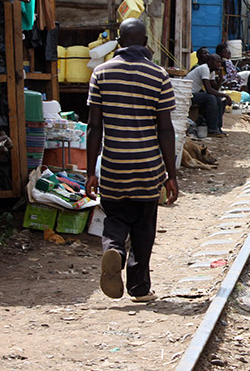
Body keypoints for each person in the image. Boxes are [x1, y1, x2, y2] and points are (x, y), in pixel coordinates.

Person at [86, 18, 178, 303]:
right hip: (148, 167)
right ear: (147, 42)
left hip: (114, 163)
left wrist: (91, 171)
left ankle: (114, 248)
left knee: (115, 217)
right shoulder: (158, 75)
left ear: (119, 41)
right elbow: (165, 128)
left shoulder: (101, 73)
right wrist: (171, 174)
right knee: (143, 225)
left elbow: (93, 127)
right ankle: (139, 288)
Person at [187, 54, 231, 137]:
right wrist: (226, 96)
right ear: (210, 62)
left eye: (220, 62)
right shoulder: (204, 68)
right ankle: (212, 129)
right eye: (217, 62)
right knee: (210, 98)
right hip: (188, 94)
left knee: (218, 99)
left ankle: (217, 128)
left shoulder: (212, 71)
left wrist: (221, 79)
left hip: (195, 93)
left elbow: (215, 89)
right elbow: (209, 90)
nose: (219, 64)